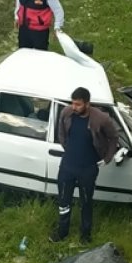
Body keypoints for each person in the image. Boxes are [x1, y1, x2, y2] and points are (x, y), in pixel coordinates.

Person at [52, 87, 119, 243]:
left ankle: (85, 234)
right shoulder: (66, 113)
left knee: (86, 201)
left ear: (87, 104)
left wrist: (107, 158)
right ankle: (62, 232)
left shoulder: (101, 118)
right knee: (63, 200)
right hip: (68, 165)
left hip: (88, 168)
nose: (74, 107)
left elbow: (114, 137)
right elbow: (61, 132)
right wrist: (66, 147)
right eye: (73, 103)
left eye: (78, 104)